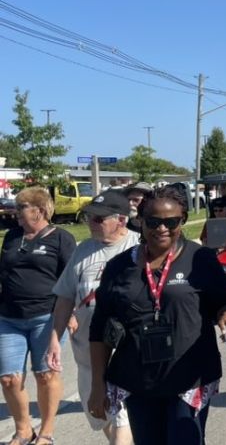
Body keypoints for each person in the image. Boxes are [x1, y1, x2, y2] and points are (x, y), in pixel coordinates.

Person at [87, 186, 226, 444]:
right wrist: (97, 384)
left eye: (171, 222)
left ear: (183, 221)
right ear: (140, 221)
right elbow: (99, 326)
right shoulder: (119, 267)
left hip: (190, 378)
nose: (162, 229)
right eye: (153, 221)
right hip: (138, 380)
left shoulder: (201, 259)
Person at [46, 190, 138, 445]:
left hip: (127, 354)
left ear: (121, 220)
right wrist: (55, 338)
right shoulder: (83, 250)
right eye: (89, 217)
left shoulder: (138, 246)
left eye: (99, 219)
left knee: (123, 419)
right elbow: (65, 297)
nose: (91, 223)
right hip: (87, 356)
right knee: (102, 417)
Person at [0, 187, 76, 445]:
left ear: (40, 210)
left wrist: (71, 313)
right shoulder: (11, 237)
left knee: (45, 374)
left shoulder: (61, 238)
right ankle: (23, 431)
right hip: (9, 317)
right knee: (9, 378)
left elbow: (70, 279)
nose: (16, 213)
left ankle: (46, 431)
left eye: (21, 208)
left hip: (47, 317)